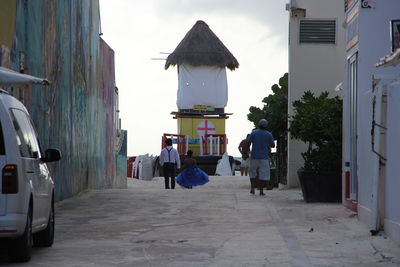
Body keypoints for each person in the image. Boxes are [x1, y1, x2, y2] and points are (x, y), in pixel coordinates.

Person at [247, 119, 275, 195]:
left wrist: (246, 152)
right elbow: (273, 145)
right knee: (264, 174)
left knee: (252, 172)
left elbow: (248, 143)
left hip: (254, 156)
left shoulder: (254, 133)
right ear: (266, 126)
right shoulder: (269, 134)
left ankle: (252, 188)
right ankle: (261, 191)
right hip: (264, 157)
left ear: (258, 124)